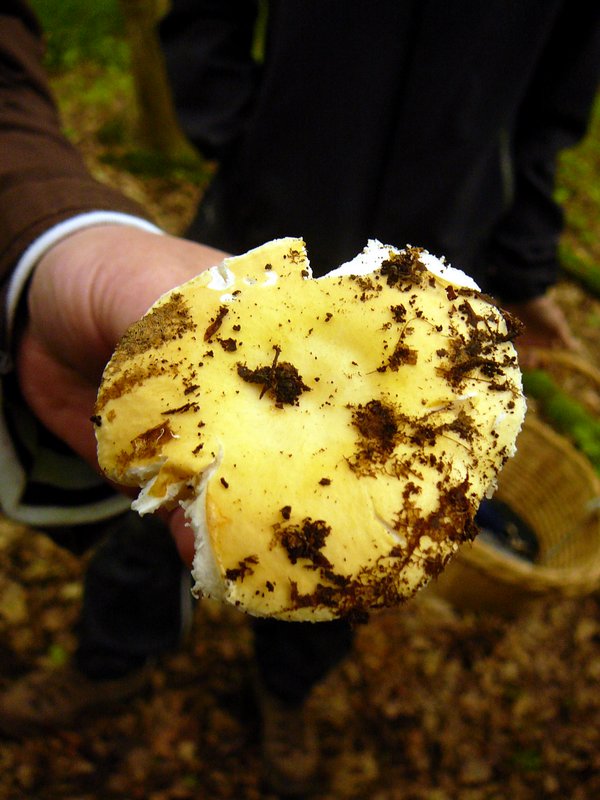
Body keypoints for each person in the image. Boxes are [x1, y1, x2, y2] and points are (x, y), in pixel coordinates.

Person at [0, 0, 599, 794]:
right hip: (264, 219)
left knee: (355, 538)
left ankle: (288, 688)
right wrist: (235, 127)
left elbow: (552, 110)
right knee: (166, 475)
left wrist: (524, 265)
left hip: (436, 266)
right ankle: (112, 657)